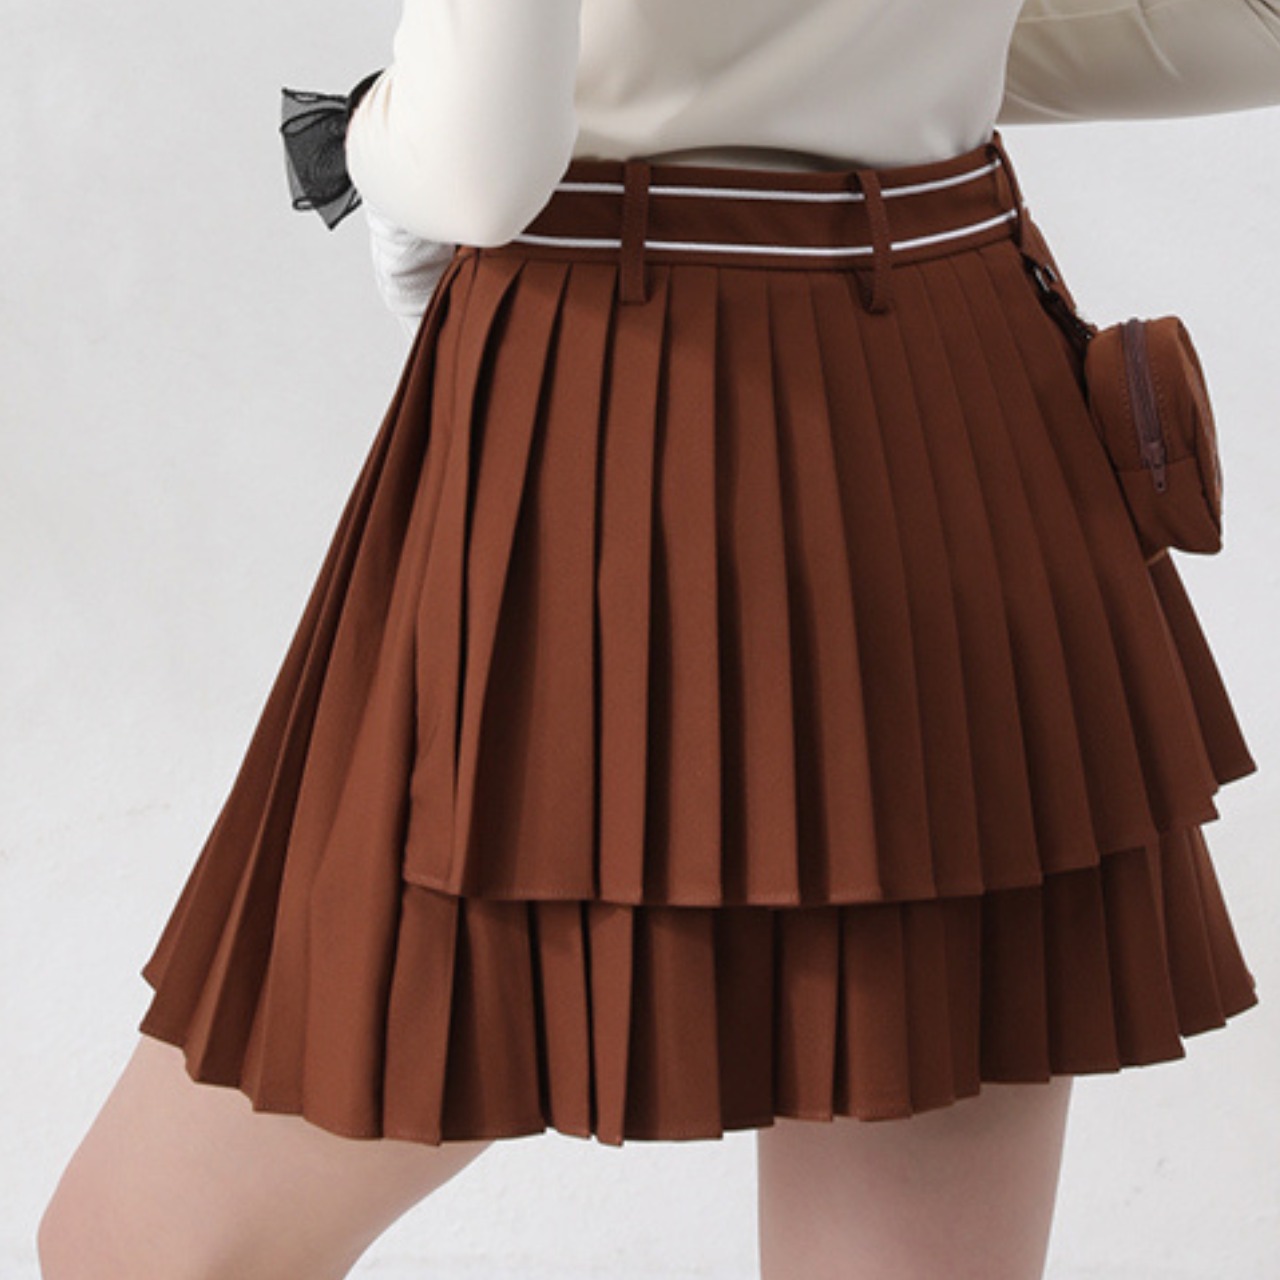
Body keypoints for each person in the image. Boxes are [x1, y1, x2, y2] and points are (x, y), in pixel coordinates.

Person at [37, 2, 1280, 1277]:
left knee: (140, 1250)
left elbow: (475, 166)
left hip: (613, 432)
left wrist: (363, 134)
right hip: (953, 412)